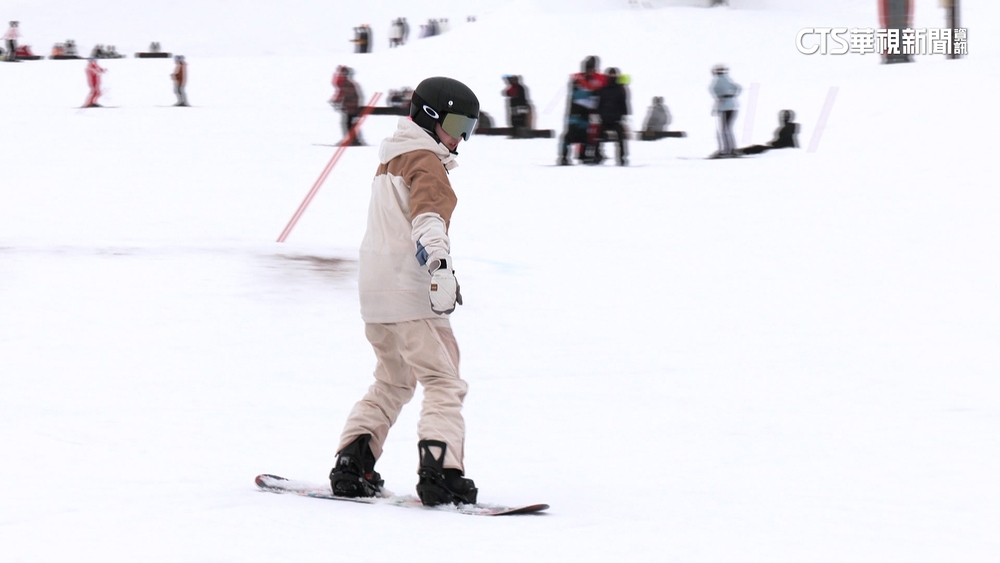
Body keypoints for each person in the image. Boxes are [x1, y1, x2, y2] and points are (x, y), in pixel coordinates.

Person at [329, 76, 482, 508]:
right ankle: (441, 471)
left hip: (374, 296)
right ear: (430, 117)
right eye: (457, 123)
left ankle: (352, 462)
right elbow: (428, 218)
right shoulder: (425, 162)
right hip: (411, 295)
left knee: (392, 380)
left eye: (469, 127)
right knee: (443, 381)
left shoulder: (388, 161)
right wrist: (441, 267)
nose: (461, 137)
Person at [559, 55, 608, 165]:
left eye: (591, 69)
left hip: (590, 113)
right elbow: (575, 95)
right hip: (576, 113)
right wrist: (591, 93)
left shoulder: (599, 79)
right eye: (587, 69)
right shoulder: (577, 80)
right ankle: (564, 157)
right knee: (569, 136)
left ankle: (591, 154)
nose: (589, 71)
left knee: (591, 135)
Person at [596, 67, 631, 166]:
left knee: (620, 139)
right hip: (606, 117)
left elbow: (623, 102)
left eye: (613, 74)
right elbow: (599, 102)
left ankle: (621, 158)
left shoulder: (618, 88)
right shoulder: (616, 88)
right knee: (599, 138)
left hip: (614, 118)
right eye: (610, 74)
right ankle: (598, 155)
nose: (612, 76)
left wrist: (624, 115)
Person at [709, 64, 741, 158]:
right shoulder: (728, 79)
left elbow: (717, 95)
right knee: (728, 129)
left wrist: (716, 108)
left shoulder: (717, 80)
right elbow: (738, 88)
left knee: (724, 130)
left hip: (724, 107)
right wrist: (734, 95)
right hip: (733, 106)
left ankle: (726, 150)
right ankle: (731, 149)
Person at [331, 66, 364, 146]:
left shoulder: (347, 84)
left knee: (348, 124)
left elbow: (347, 95)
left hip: (351, 108)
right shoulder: (348, 83)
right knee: (350, 124)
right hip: (351, 107)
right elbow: (342, 94)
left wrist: (340, 102)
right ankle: (354, 140)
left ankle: (353, 140)